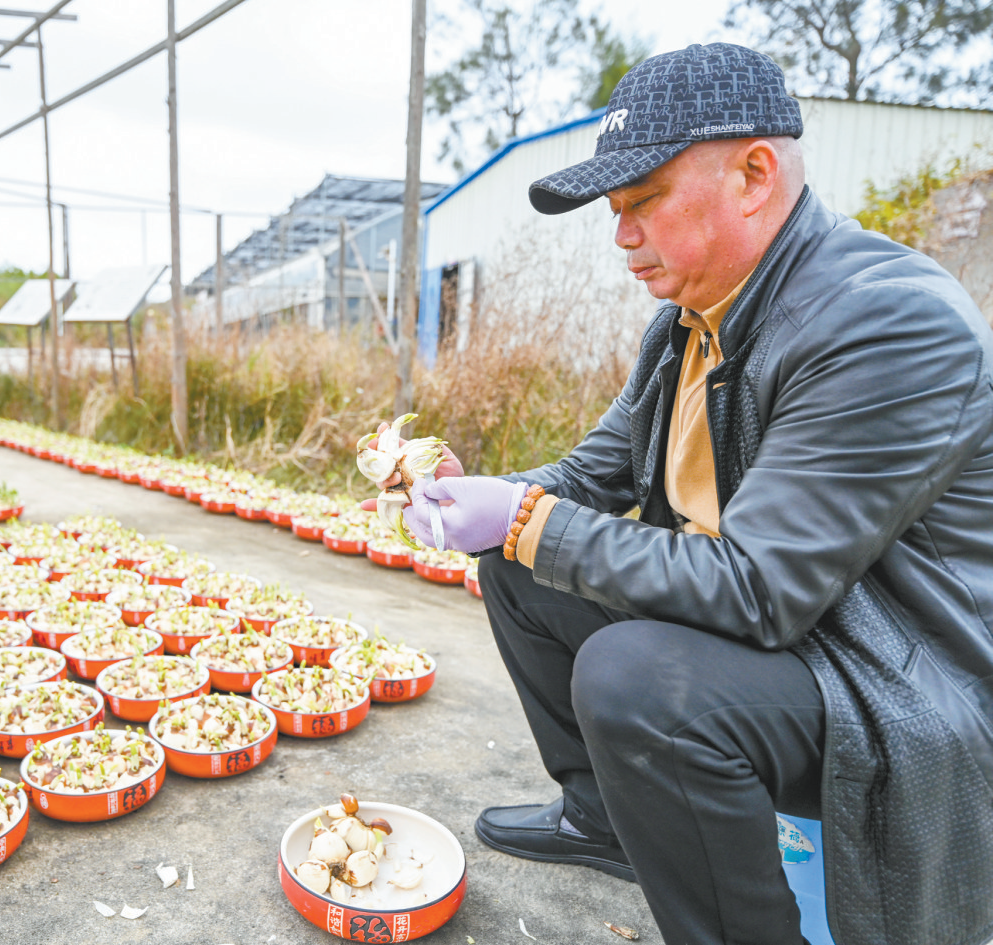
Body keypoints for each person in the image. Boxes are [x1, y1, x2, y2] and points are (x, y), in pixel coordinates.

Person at [378, 44, 993, 945]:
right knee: (516, 567)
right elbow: (595, 474)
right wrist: (479, 499)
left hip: (892, 677)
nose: (621, 235)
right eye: (616, 210)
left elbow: (758, 589)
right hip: (799, 640)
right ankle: (603, 819)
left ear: (754, 174)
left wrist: (523, 519)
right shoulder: (687, 326)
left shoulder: (885, 320)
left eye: (643, 202)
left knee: (636, 682)